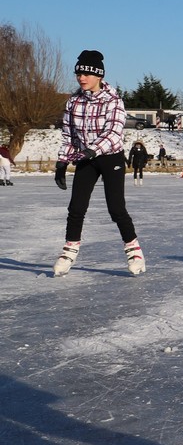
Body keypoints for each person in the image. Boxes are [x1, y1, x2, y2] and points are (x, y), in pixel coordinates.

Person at [52, 51, 145, 278]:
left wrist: (92, 150)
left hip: (110, 157)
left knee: (116, 209)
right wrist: (62, 161)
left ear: (98, 76)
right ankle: (69, 251)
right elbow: (69, 136)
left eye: (86, 74)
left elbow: (114, 132)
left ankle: (134, 252)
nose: (81, 78)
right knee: (76, 207)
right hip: (86, 158)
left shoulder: (113, 100)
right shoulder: (74, 101)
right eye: (78, 74)